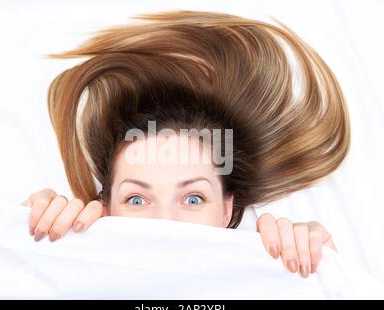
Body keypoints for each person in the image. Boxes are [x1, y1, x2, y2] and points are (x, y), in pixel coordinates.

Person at [22, 10, 349, 279]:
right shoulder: (64, 276)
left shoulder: (277, 280)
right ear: (106, 210)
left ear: (226, 211)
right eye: (136, 200)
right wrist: (25, 246)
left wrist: (326, 275)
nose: (165, 222)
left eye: (193, 198)